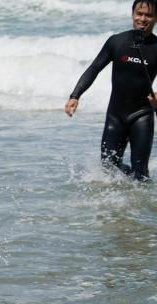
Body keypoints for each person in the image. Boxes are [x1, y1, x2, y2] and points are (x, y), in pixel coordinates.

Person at [66, 0, 157, 180]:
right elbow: (94, 68)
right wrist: (75, 95)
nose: (143, 19)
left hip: (142, 116)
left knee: (141, 173)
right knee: (108, 168)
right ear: (132, 14)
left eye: (148, 15)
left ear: (155, 18)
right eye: (139, 13)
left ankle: (141, 205)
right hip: (116, 115)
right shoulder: (117, 42)